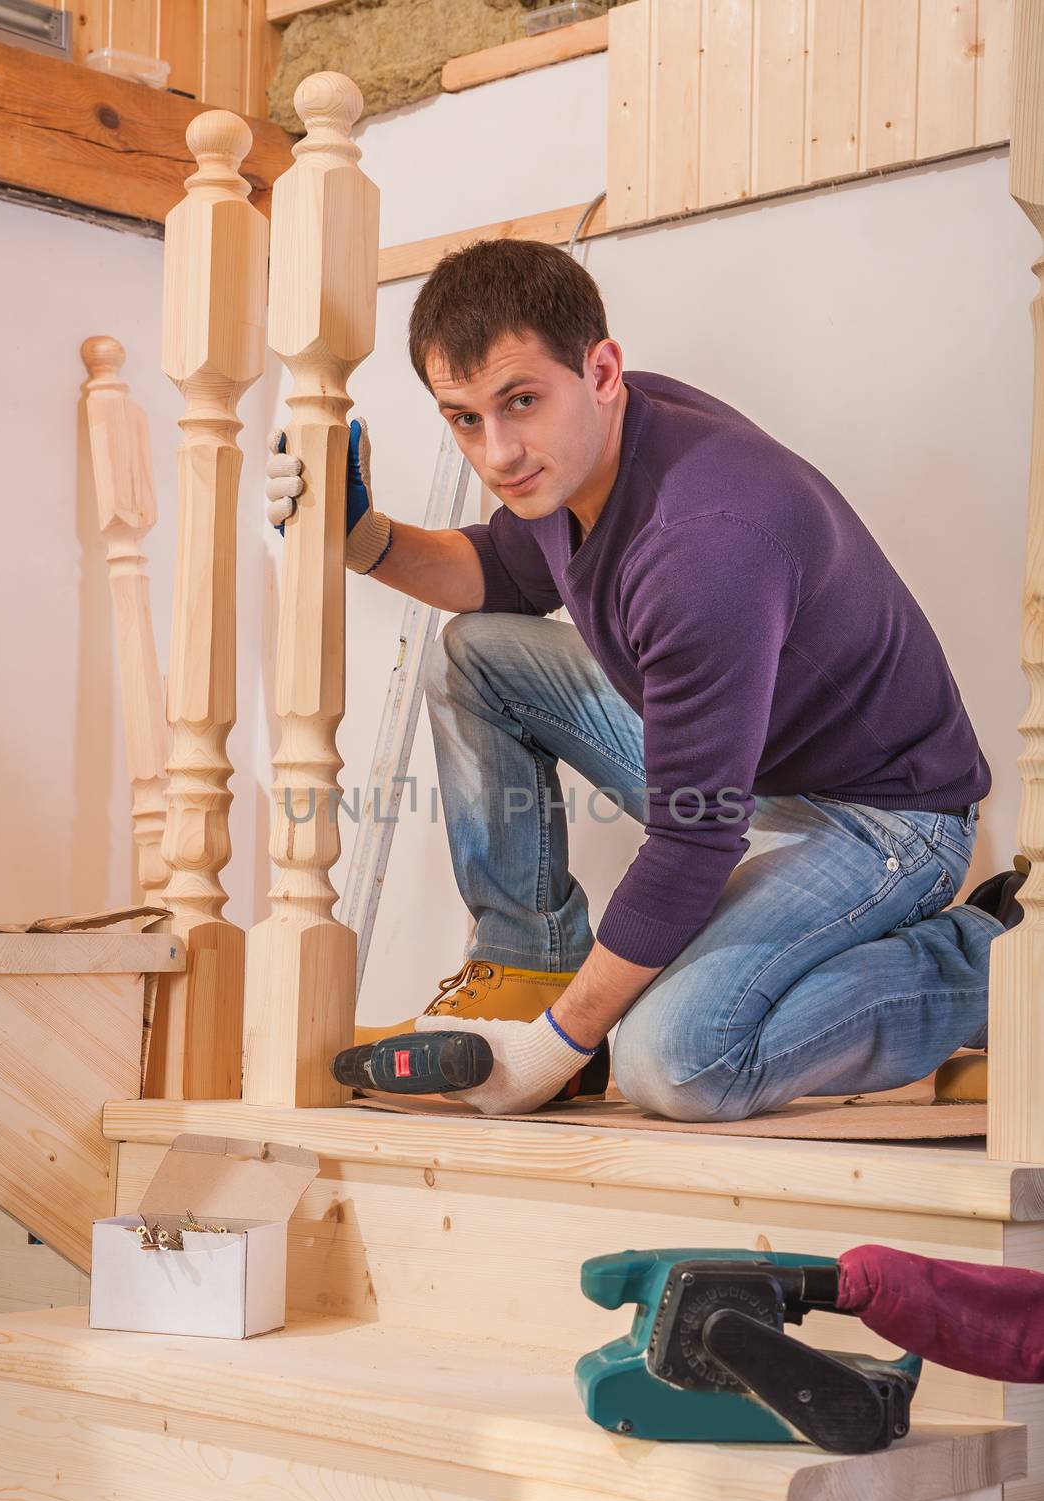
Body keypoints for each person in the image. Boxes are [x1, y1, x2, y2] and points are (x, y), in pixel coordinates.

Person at [266, 238, 1016, 1120]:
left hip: (891, 818)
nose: (499, 453)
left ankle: (989, 962)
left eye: (520, 403)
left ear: (602, 370)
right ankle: (524, 965)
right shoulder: (580, 454)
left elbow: (693, 839)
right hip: (764, 764)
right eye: (465, 419)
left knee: (677, 1062)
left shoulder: (707, 544)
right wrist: (363, 539)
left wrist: (557, 1046)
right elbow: (500, 577)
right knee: (478, 654)